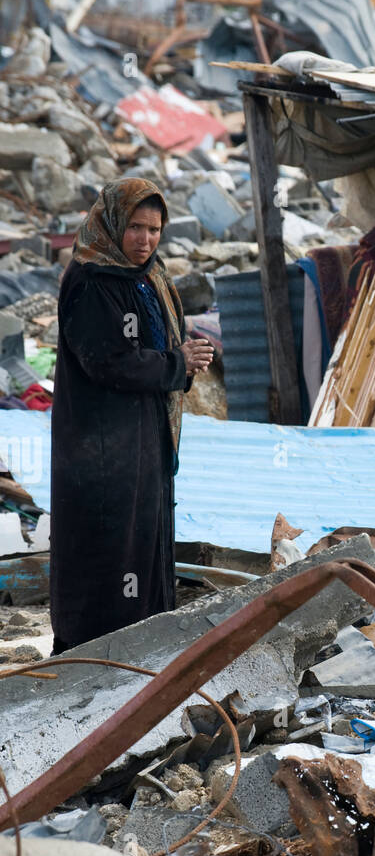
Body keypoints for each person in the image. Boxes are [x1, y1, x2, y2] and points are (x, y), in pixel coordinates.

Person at [50, 178, 213, 654]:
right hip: (99, 446)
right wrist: (178, 363)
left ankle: (142, 644)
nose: (145, 239)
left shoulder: (147, 276)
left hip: (143, 438)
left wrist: (181, 359)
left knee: (144, 538)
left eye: (155, 229)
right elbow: (109, 361)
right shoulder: (93, 280)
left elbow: (150, 346)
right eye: (136, 227)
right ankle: (92, 651)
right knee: (107, 542)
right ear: (113, 223)